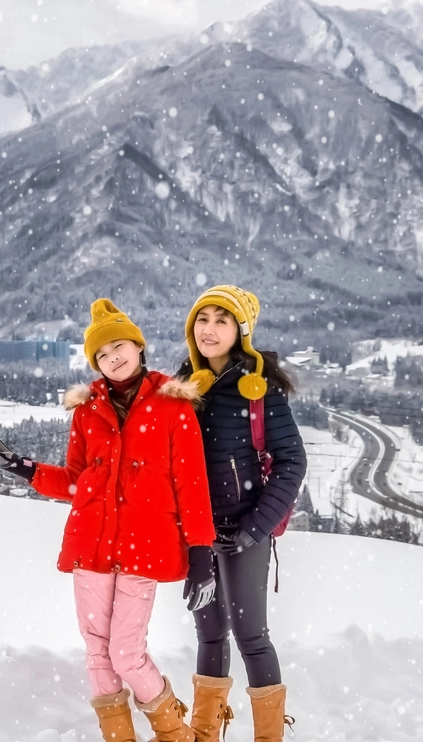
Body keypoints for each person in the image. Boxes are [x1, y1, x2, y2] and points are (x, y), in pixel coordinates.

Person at [0, 298, 217, 742]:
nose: (112, 358)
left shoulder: (173, 407)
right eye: (102, 354)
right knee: (98, 654)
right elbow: (73, 481)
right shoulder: (87, 411)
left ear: (139, 347)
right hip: (91, 547)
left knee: (126, 653)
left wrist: (201, 551)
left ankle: (176, 734)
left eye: (119, 346)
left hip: (144, 550)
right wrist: (25, 469)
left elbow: (192, 484)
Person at [175, 286, 307, 742]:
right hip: (197, 532)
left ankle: (269, 737)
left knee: (251, 636)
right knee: (209, 635)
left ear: (240, 331)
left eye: (221, 320)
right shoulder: (183, 384)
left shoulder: (258, 387)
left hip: (245, 529)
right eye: (202, 319)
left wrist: (256, 528)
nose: (208, 329)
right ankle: (205, 733)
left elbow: (292, 462)